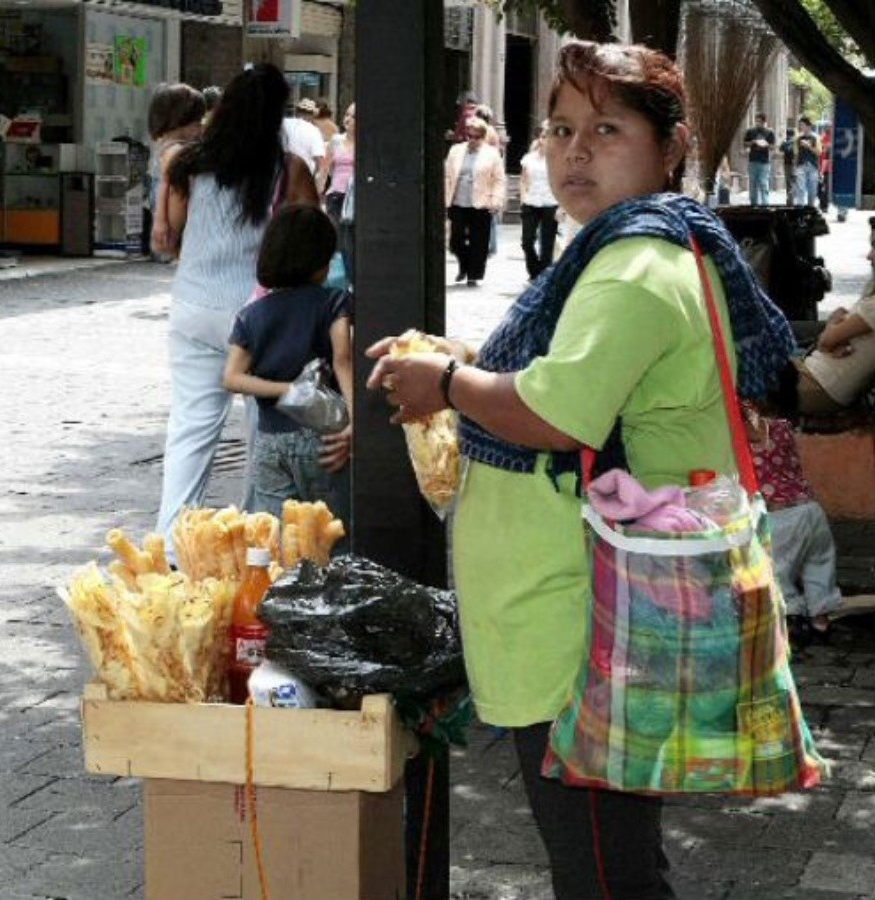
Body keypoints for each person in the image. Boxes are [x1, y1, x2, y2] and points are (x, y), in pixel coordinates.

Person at [367, 40, 794, 899]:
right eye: (560, 129)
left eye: (606, 128)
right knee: (612, 859)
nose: (575, 151)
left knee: (603, 872)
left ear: (670, 148)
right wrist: (464, 368)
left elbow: (555, 414)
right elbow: (567, 381)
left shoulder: (634, 268)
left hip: (587, 628)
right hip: (589, 618)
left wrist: (447, 381)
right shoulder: (645, 250)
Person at [154, 64, 320, 553]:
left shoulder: (189, 164)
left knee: (190, 428)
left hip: (191, 305)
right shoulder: (288, 168)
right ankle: (259, 548)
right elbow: (312, 240)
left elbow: (172, 239)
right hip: (255, 315)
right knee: (263, 432)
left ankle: (168, 547)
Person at [222, 204, 352, 535]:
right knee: (331, 536)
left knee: (277, 542)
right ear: (321, 262)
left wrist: (283, 390)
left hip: (269, 442)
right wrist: (356, 422)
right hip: (323, 439)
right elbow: (343, 358)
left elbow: (232, 377)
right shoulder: (334, 302)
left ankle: (282, 588)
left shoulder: (252, 314)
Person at [746, 407, 840, 649]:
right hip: (811, 509)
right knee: (818, 564)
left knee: (777, 568)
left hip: (782, 515)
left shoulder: (739, 441)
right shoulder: (782, 427)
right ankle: (821, 618)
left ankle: (792, 618)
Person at [795, 219, 875, 415]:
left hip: (819, 386)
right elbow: (837, 320)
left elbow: (827, 340)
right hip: (815, 373)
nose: (869, 256)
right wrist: (832, 331)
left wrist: (829, 336)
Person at [146, 83, 206, 261]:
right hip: (176, 213)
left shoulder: (163, 145)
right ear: (179, 121)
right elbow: (172, 187)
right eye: (196, 121)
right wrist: (162, 222)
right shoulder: (177, 151)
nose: (199, 127)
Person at [443, 117, 506, 287]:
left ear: (483, 137)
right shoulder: (456, 150)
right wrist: (444, 196)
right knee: (455, 240)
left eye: (476, 137)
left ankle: (473, 274)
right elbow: (448, 176)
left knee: (479, 241)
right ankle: (464, 264)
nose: (472, 140)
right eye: (469, 136)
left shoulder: (491, 154)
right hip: (457, 201)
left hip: (481, 201)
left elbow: (499, 179)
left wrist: (496, 200)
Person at [318, 103, 357, 286]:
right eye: (347, 115)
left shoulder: (367, 142)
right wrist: (317, 193)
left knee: (355, 240)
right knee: (340, 241)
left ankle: (355, 278)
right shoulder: (335, 141)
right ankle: (344, 281)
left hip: (357, 198)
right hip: (337, 196)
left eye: (353, 116)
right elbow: (325, 170)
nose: (348, 119)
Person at [518, 124, 559, 280]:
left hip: (550, 202)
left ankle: (543, 276)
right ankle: (535, 269)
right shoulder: (529, 158)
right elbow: (523, 180)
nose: (545, 140)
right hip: (531, 202)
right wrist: (523, 198)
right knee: (527, 242)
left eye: (549, 137)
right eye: (543, 137)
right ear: (539, 139)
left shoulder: (557, 159)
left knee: (547, 244)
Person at [282, 97, 326, 175]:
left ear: (296, 112)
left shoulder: (284, 123)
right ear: (312, 115)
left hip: (281, 174)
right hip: (302, 177)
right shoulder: (314, 131)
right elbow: (320, 161)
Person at [743, 111, 776, 205]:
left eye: (760, 121)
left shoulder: (769, 132)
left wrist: (766, 145)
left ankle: (765, 205)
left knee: (763, 184)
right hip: (753, 160)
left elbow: (773, 146)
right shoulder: (750, 131)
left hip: (764, 162)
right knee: (752, 185)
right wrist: (753, 142)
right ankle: (754, 204)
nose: (758, 123)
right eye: (756, 121)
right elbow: (745, 143)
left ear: (764, 122)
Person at [794, 115, 821, 207]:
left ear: (808, 126)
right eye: (800, 125)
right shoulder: (797, 138)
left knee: (812, 190)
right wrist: (795, 168)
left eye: (802, 125)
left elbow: (818, 153)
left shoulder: (816, 137)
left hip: (813, 166)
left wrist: (809, 146)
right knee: (800, 189)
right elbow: (796, 154)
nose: (800, 127)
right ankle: (800, 208)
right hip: (801, 166)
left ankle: (810, 206)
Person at [780, 127, 797, 203]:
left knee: (788, 182)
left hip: (787, 164)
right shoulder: (795, 141)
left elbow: (780, 148)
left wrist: (785, 141)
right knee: (794, 181)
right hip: (795, 164)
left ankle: (789, 198)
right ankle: (791, 198)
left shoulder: (785, 142)